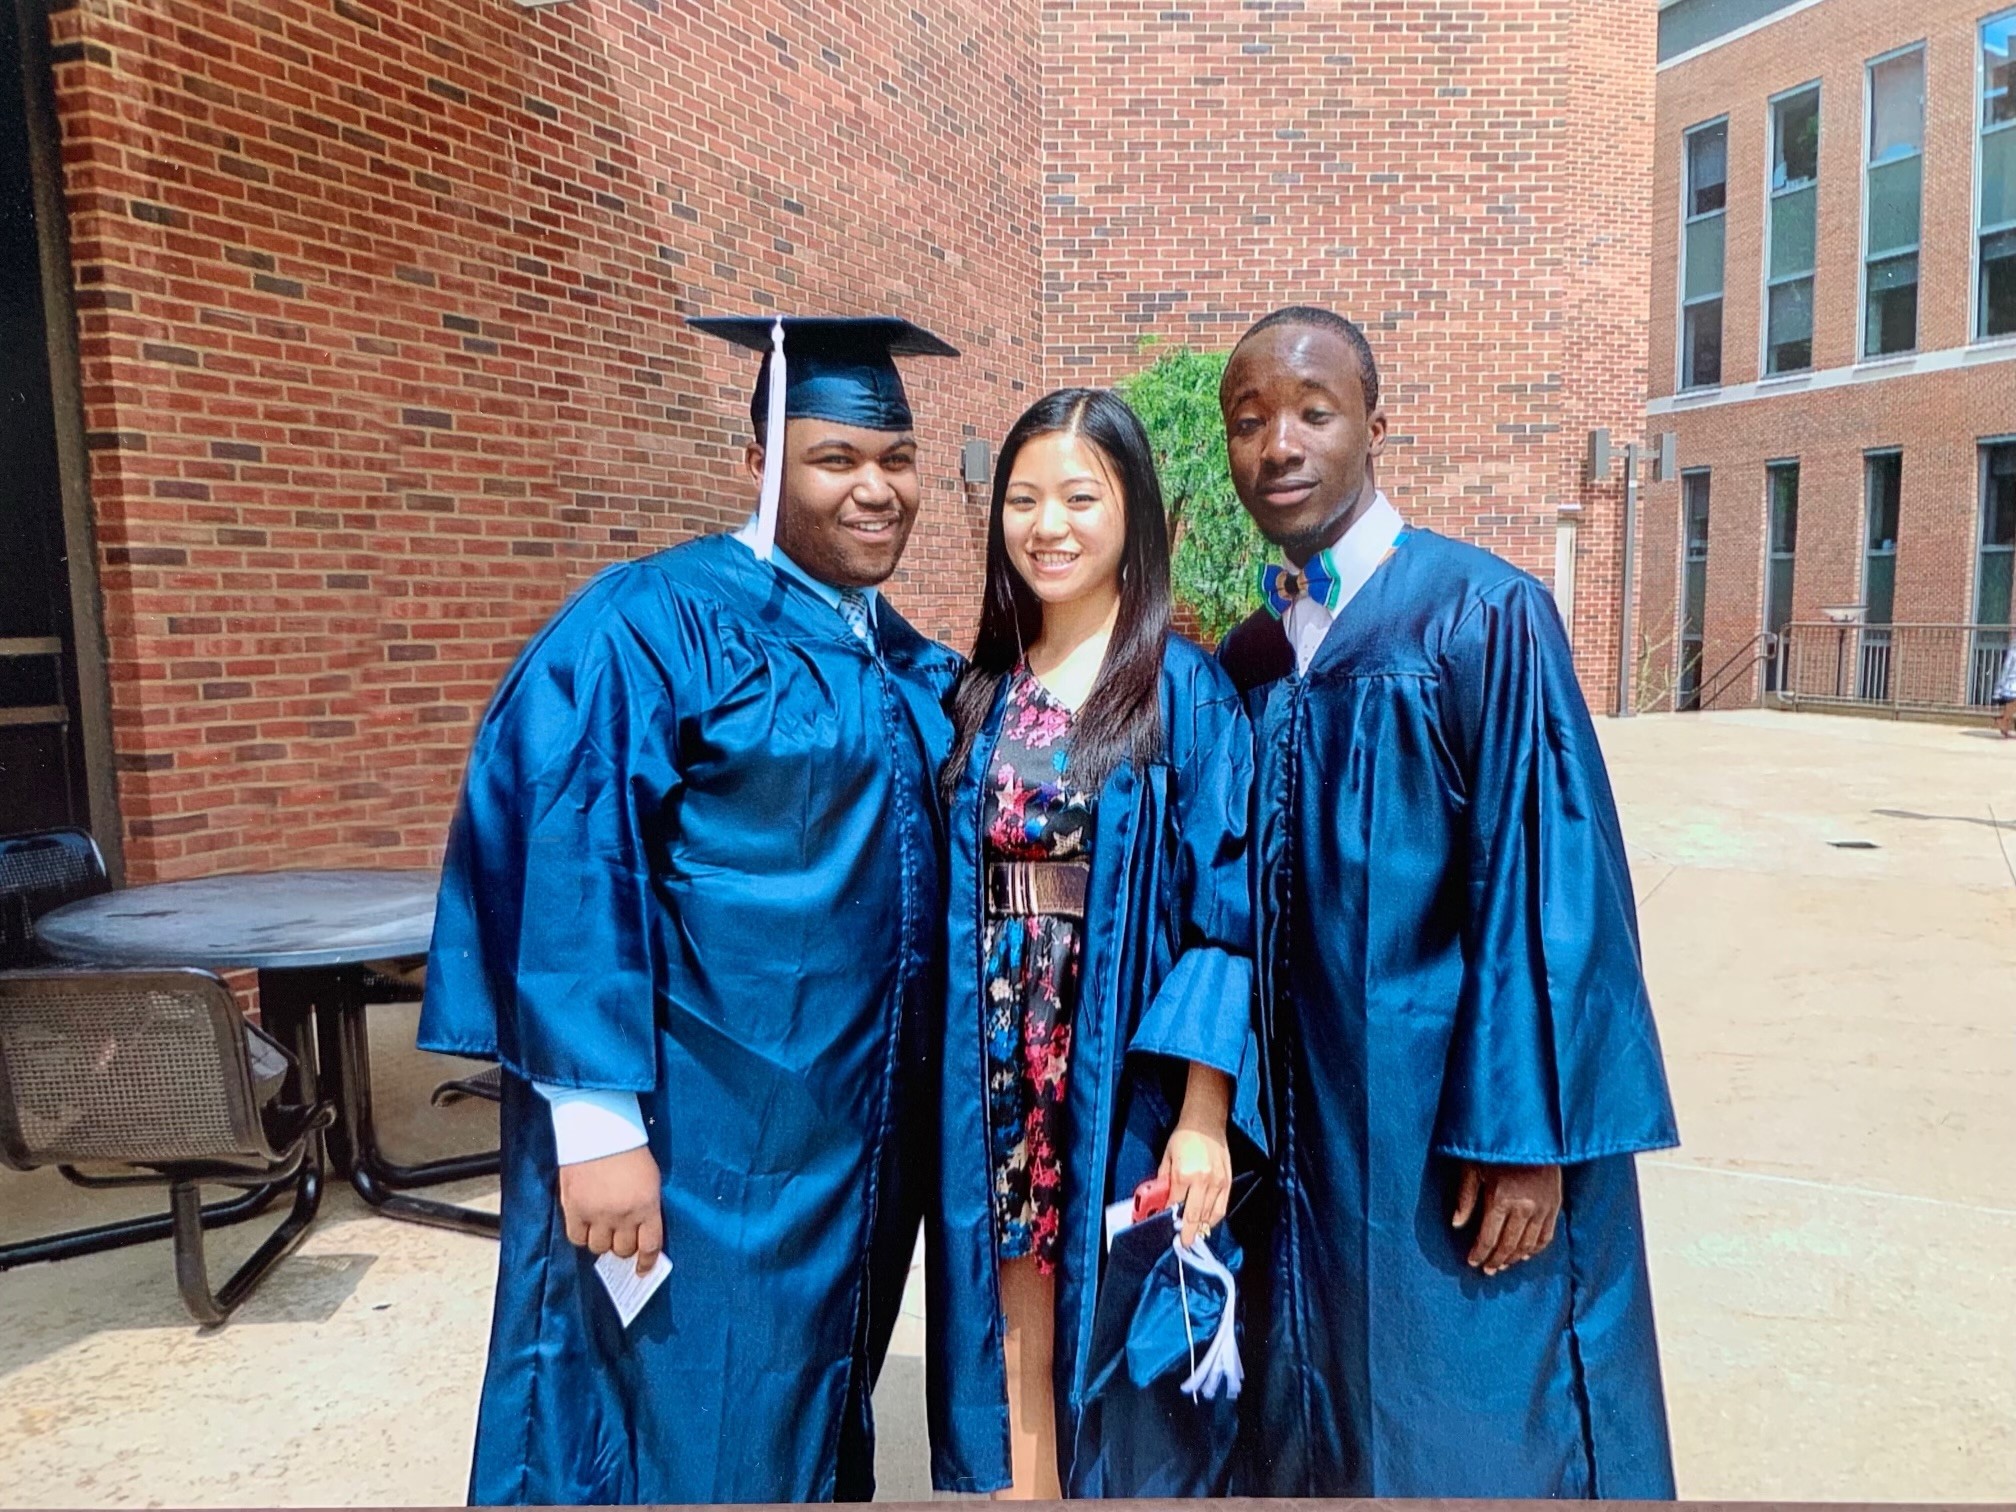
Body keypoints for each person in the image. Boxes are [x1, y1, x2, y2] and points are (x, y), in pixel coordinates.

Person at [417, 315, 962, 1505]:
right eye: (835, 459)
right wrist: (595, 1122)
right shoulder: (649, 625)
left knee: (793, 1412)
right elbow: (564, 858)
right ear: (758, 460)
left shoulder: (900, 655)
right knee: (670, 1427)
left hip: (842, 1150)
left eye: (897, 459)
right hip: (700, 1142)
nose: (877, 490)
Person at [1214, 307, 1680, 1499]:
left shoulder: (1481, 616)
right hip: (1307, 1143)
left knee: (1472, 1421)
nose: (1281, 445)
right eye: (1251, 420)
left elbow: (1552, 887)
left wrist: (1529, 1143)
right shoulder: (1257, 658)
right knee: (1325, 1417)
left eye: (1314, 412)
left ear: (1377, 423)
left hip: (1450, 1138)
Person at [926, 389, 1262, 1500]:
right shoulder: (979, 690)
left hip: (1119, 1062)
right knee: (1011, 1311)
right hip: (996, 1065)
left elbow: (1228, 913)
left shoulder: (1184, 694)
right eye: (1023, 500)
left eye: (1081, 496)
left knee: (1116, 1334)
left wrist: (1207, 1115)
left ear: (1136, 515)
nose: (1048, 526)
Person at [1994, 640, 2016, 738]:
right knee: (2013, 701)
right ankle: (2003, 721)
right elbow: (2007, 666)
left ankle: (2004, 722)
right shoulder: (2014, 649)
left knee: (2013, 702)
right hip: (2012, 679)